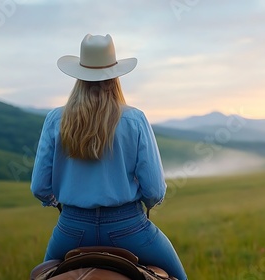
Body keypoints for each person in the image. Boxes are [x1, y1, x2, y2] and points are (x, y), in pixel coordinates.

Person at [30, 34, 187, 280]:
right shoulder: (135, 119)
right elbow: (155, 190)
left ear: (78, 76)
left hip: (71, 228)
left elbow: (40, 187)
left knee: (39, 274)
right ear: (115, 76)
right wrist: (145, 204)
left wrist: (60, 203)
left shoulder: (55, 119)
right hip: (129, 227)